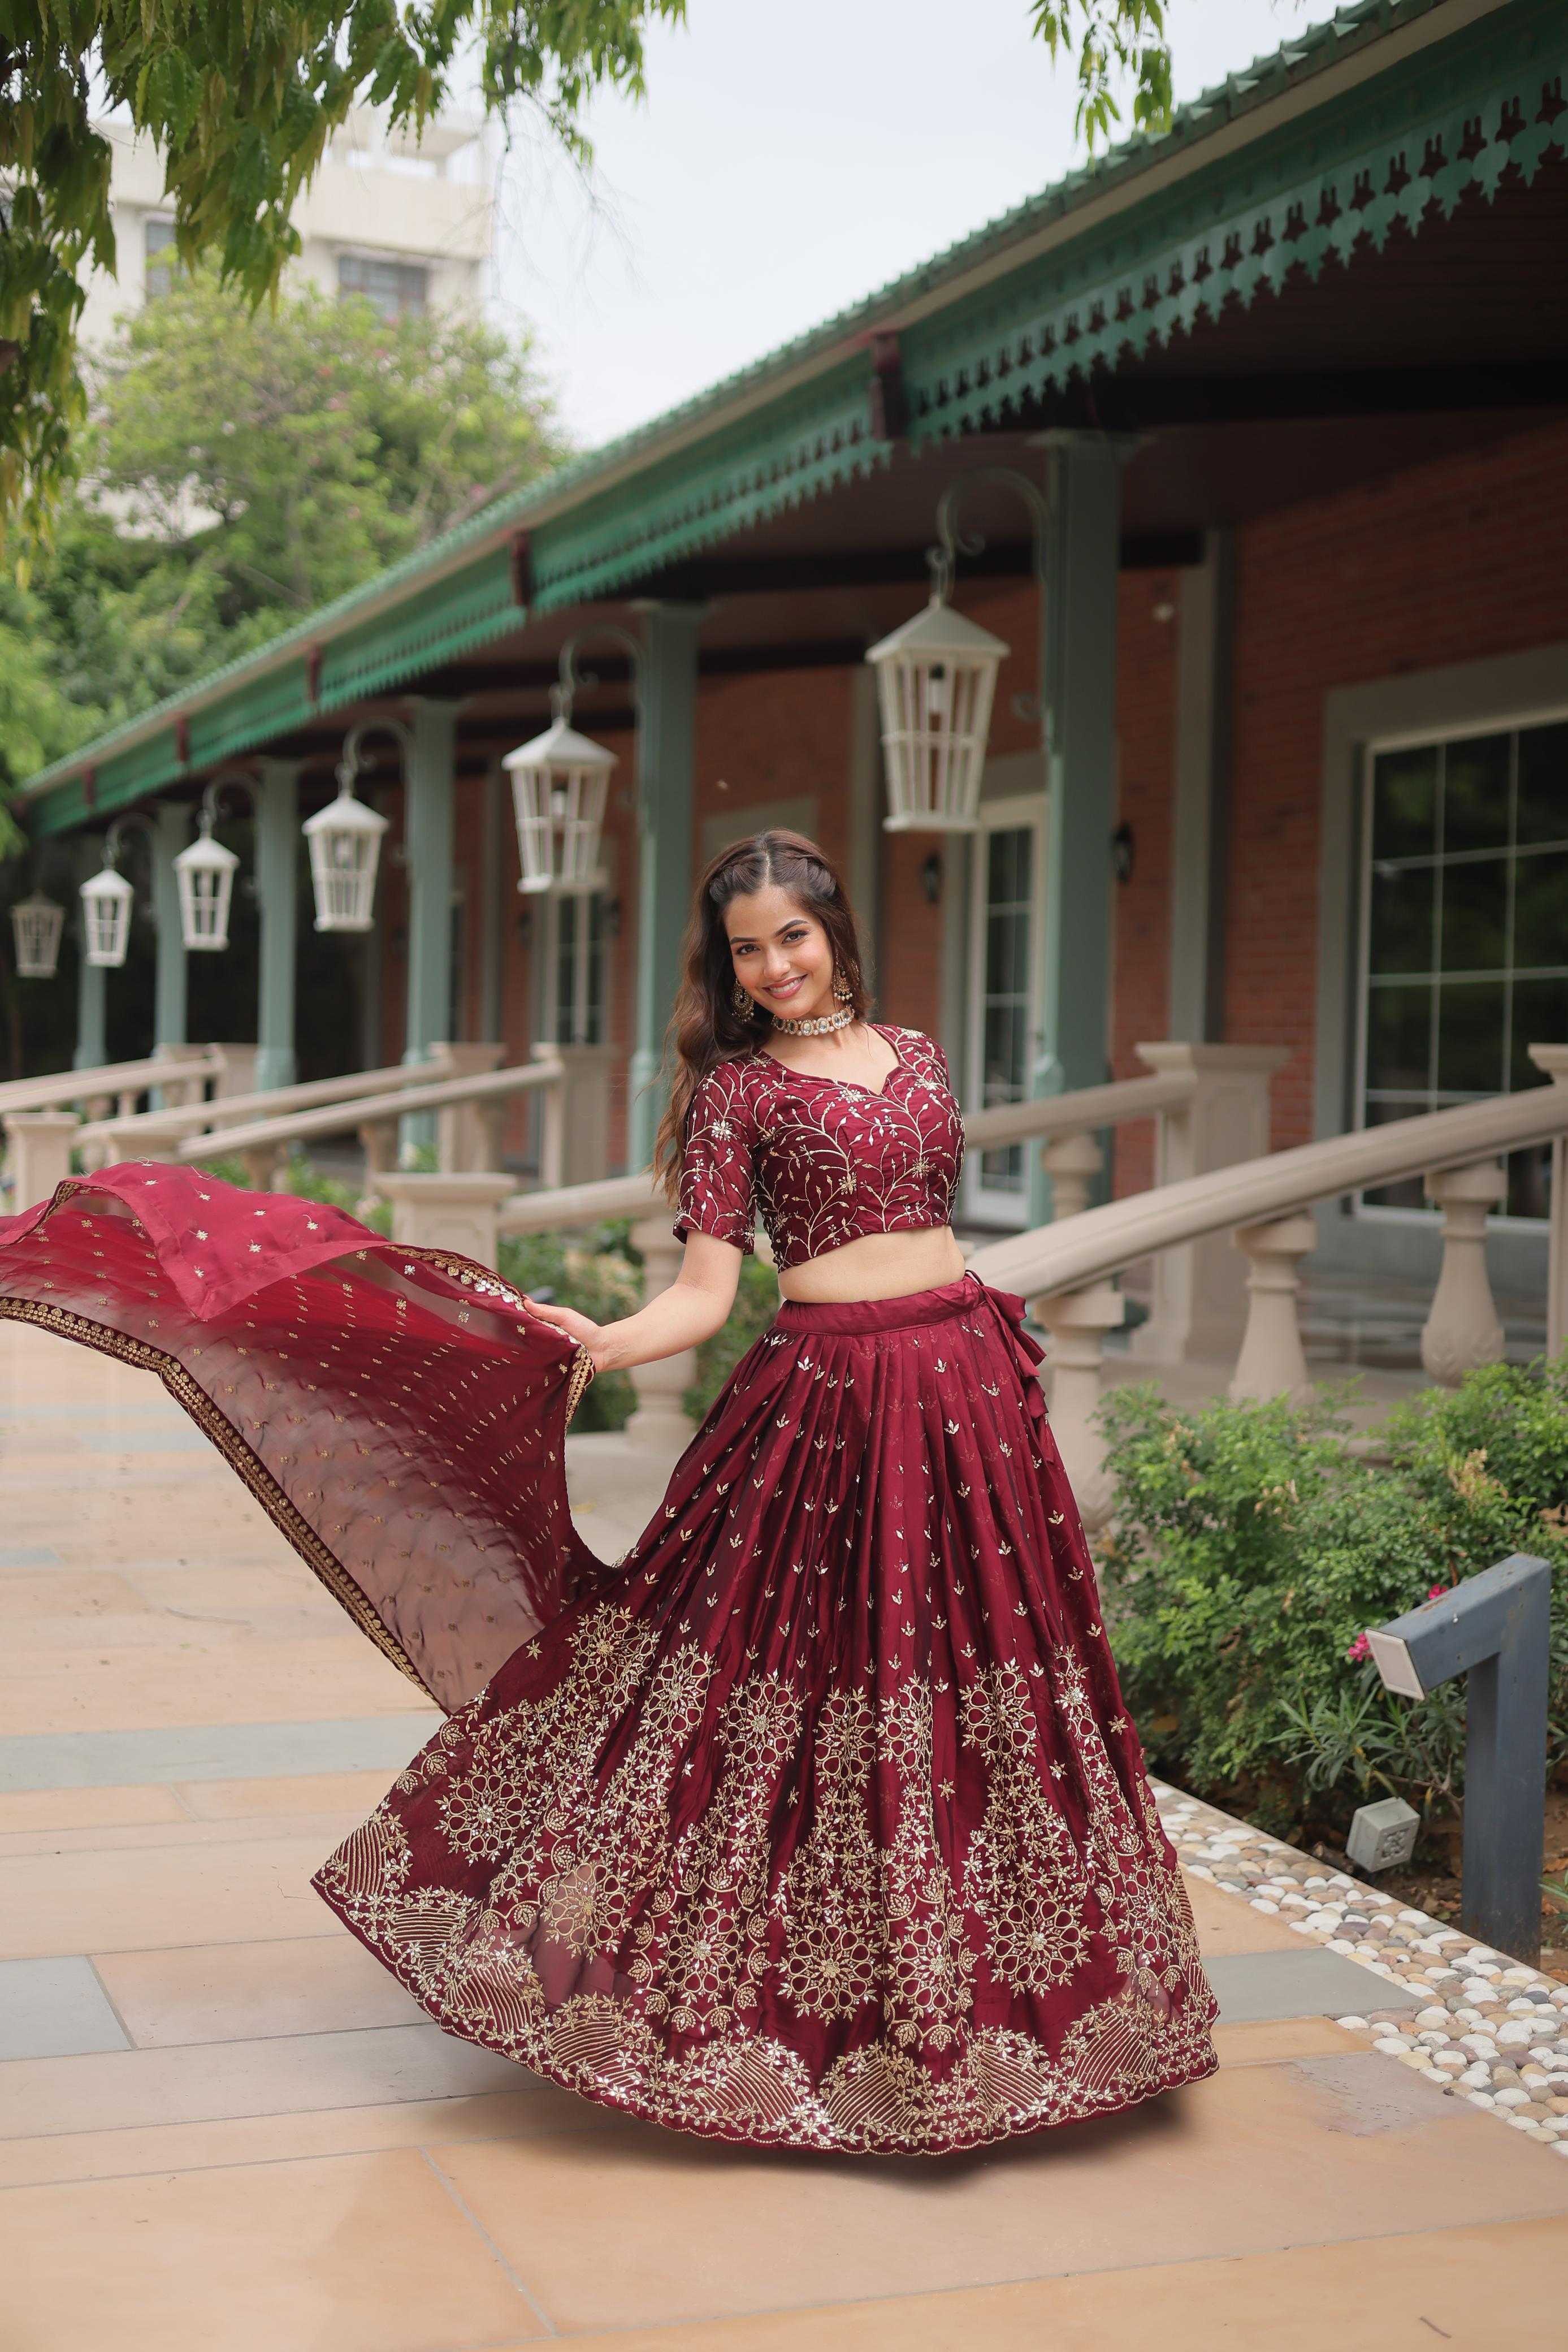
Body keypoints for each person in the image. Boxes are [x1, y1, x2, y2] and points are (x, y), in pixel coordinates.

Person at [0, 828, 1215, 2154]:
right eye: (746, 950)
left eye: (790, 937)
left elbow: (932, 1218)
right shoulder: (735, 1097)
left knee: (984, 1685)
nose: (773, 967)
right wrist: (596, 1340)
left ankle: (1026, 2012)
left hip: (965, 1391)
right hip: (832, 1406)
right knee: (784, 1699)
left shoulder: (918, 1054)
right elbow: (705, 1293)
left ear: (833, 926)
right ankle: (802, 2026)